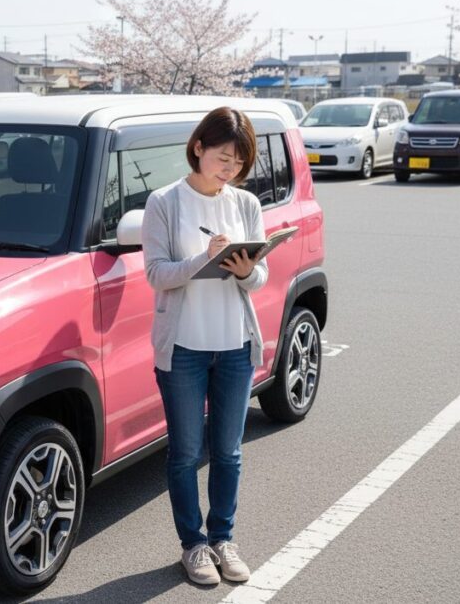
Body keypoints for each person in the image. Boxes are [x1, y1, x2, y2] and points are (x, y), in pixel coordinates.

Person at [140, 106, 268, 586]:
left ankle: (223, 539)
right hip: (184, 350)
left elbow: (260, 275)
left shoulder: (246, 204)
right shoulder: (164, 202)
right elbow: (156, 274)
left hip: (235, 345)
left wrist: (246, 271)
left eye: (238, 162)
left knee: (229, 452)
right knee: (185, 452)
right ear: (198, 148)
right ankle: (193, 545)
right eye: (223, 158)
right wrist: (203, 258)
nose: (229, 169)